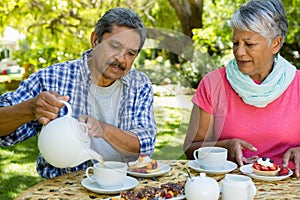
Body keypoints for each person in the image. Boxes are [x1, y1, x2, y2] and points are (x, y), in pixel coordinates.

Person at [0, 8, 157, 179]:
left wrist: (103, 128)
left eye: (131, 53)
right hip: (64, 189)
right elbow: (5, 134)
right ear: (95, 40)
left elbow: (143, 145)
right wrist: (30, 108)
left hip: (125, 186)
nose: (121, 59)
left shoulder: (139, 84)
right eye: (115, 46)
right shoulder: (51, 78)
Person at [183, 0, 300, 177]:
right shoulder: (213, 84)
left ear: (276, 44)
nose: (239, 52)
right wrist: (225, 146)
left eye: (249, 44)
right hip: (229, 185)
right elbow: (191, 148)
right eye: (235, 43)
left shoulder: (297, 84)